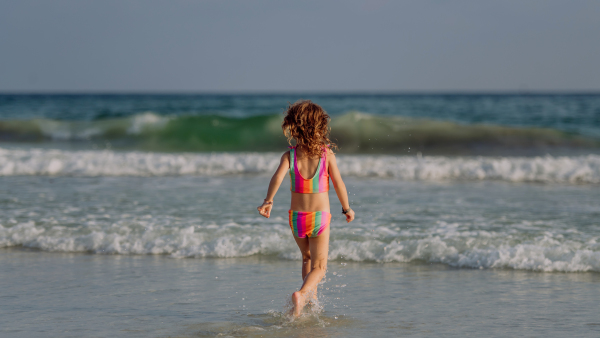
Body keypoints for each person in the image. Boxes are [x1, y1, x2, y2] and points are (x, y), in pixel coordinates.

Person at [257, 100, 355, 317]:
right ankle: (302, 294)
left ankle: (310, 299)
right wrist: (346, 208)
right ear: (320, 126)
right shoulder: (326, 155)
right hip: (319, 217)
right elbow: (338, 183)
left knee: (307, 259)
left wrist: (268, 201)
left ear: (294, 126)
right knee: (320, 267)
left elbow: (277, 178)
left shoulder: (289, 155)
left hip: (296, 219)